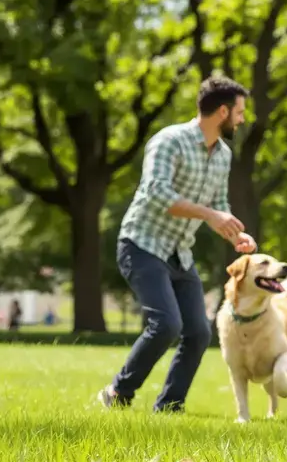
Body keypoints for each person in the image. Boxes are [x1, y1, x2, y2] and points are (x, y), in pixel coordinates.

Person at [97, 76, 257, 413]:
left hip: (179, 252)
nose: (242, 120)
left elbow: (220, 202)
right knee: (167, 324)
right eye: (239, 113)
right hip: (142, 244)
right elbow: (157, 192)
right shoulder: (170, 141)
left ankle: (170, 406)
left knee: (198, 332)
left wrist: (234, 233)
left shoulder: (223, 154)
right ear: (223, 111)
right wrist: (210, 215)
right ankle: (117, 392)